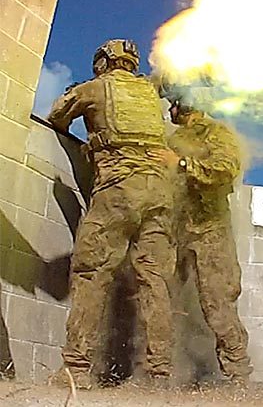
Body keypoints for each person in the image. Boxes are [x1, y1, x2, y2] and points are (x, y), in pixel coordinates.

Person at [47, 39, 175, 389]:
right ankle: (159, 374)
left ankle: (75, 370)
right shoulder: (149, 91)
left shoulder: (95, 87)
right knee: (155, 281)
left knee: (92, 273)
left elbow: (56, 116)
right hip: (161, 193)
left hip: (119, 188)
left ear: (103, 62)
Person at [148, 100, 252, 383]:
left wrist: (182, 164)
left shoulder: (216, 132)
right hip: (175, 229)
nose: (169, 110)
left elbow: (225, 169)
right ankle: (158, 373)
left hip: (209, 229)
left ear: (184, 104)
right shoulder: (174, 139)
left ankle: (238, 376)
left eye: (173, 104)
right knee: (160, 298)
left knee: (217, 303)